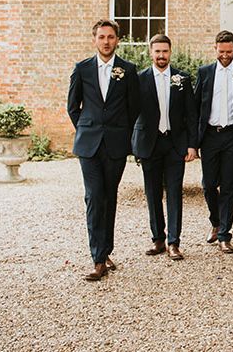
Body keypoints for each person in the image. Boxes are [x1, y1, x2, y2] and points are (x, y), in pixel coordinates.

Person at [67, 19, 140, 281]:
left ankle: (106, 249)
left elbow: (134, 108)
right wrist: (87, 128)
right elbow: (72, 106)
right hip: (89, 145)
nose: (106, 41)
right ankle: (97, 258)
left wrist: (120, 130)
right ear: (94, 39)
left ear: (117, 40)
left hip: (116, 144)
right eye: (101, 37)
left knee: (109, 196)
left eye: (110, 37)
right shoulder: (83, 69)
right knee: (94, 197)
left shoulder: (128, 70)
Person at [132, 34, 198, 261]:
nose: (161, 55)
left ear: (171, 52)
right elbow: (130, 114)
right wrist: (133, 145)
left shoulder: (183, 78)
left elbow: (191, 115)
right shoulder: (139, 79)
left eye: (165, 51)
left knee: (174, 193)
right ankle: (157, 238)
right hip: (149, 144)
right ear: (150, 52)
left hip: (174, 144)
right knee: (152, 194)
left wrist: (192, 145)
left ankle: (174, 242)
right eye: (157, 51)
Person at [194, 30, 233, 254]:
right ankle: (215, 222)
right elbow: (196, 106)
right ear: (215, 49)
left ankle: (225, 235)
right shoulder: (204, 72)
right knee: (208, 184)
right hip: (209, 135)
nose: (225, 55)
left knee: (229, 185)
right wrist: (194, 141)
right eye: (221, 51)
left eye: (229, 51)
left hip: (232, 136)